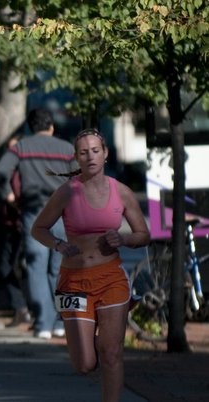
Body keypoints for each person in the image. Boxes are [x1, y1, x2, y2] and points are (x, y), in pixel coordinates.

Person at [31, 128, 150, 402]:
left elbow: (143, 235)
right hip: (73, 281)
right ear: (76, 158)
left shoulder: (121, 192)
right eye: (84, 152)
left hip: (111, 277)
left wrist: (123, 238)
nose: (90, 156)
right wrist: (59, 245)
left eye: (95, 151)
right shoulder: (67, 193)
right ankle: (93, 334)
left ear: (105, 154)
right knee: (84, 363)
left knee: (111, 353)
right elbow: (38, 229)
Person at [0, 108, 76, 339]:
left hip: (34, 212)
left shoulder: (21, 147)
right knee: (60, 268)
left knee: (36, 267)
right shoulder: (68, 149)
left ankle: (43, 324)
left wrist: (8, 195)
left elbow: (0, 172)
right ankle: (61, 322)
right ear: (51, 127)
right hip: (61, 212)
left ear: (31, 128)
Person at [0, 134, 31, 328]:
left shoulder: (20, 172)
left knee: (15, 266)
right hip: (13, 224)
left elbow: (17, 195)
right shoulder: (13, 170)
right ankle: (22, 309)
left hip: (19, 224)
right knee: (11, 266)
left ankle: (24, 308)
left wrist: (13, 201)